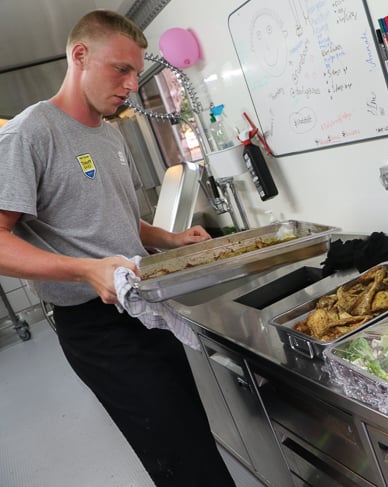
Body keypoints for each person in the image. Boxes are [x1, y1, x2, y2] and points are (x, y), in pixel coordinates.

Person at [0, 10, 236, 487]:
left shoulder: (110, 134)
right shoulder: (28, 134)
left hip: (146, 306)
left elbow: (122, 220)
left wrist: (170, 239)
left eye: (136, 70)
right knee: (178, 455)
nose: (131, 83)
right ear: (80, 55)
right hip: (96, 328)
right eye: (121, 69)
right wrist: (87, 271)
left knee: (190, 433)